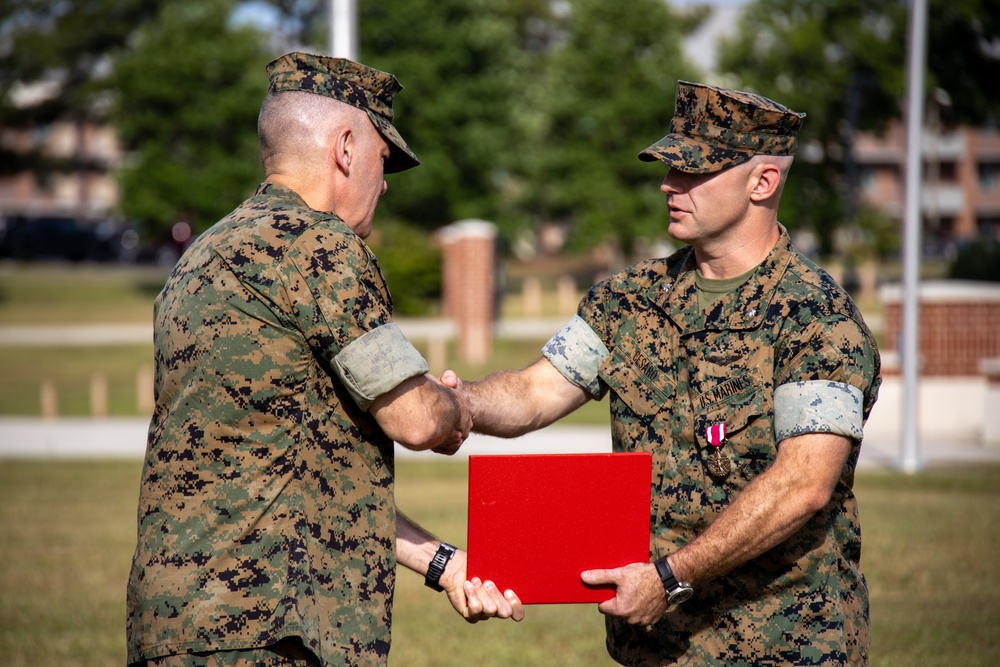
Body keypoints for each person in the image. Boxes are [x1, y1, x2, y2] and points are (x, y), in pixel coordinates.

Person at [446, 81, 880, 665]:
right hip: (656, 649)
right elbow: (534, 391)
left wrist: (670, 577)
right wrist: (457, 404)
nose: (668, 185)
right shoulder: (629, 299)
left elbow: (804, 484)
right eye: (670, 167)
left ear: (763, 182)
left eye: (693, 172)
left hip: (783, 643)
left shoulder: (814, 316)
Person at [126, 52, 522, 667]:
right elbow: (415, 419)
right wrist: (455, 408)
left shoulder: (200, 260)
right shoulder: (321, 247)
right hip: (276, 631)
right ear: (345, 149)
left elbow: (302, 481)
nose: (384, 183)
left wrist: (443, 563)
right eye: (382, 161)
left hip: (179, 627)